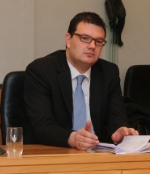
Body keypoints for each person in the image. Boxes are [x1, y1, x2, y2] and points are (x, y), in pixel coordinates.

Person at [24, 12, 138, 150]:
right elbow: (43, 126)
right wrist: (73, 138)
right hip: (58, 152)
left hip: (99, 153)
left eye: (99, 41)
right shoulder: (42, 70)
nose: (92, 46)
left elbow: (116, 116)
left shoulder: (109, 72)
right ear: (68, 39)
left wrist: (119, 130)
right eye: (85, 38)